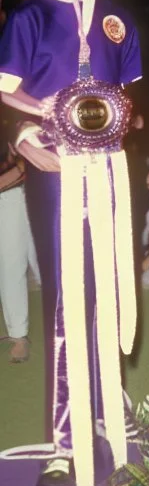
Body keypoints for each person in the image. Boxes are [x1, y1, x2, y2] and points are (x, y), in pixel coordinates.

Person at [0, 0, 142, 486]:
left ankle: (111, 414)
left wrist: (122, 130)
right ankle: (65, 442)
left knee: (111, 288)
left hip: (109, 173)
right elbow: (5, 92)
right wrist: (25, 133)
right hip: (55, 171)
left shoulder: (119, 19)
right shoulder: (29, 16)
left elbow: (133, 104)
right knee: (67, 304)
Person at [0, 113, 40, 363]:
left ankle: (72, 325)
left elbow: (25, 164)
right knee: (11, 267)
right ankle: (18, 335)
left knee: (47, 262)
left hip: (36, 192)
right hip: (7, 199)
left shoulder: (10, 115)